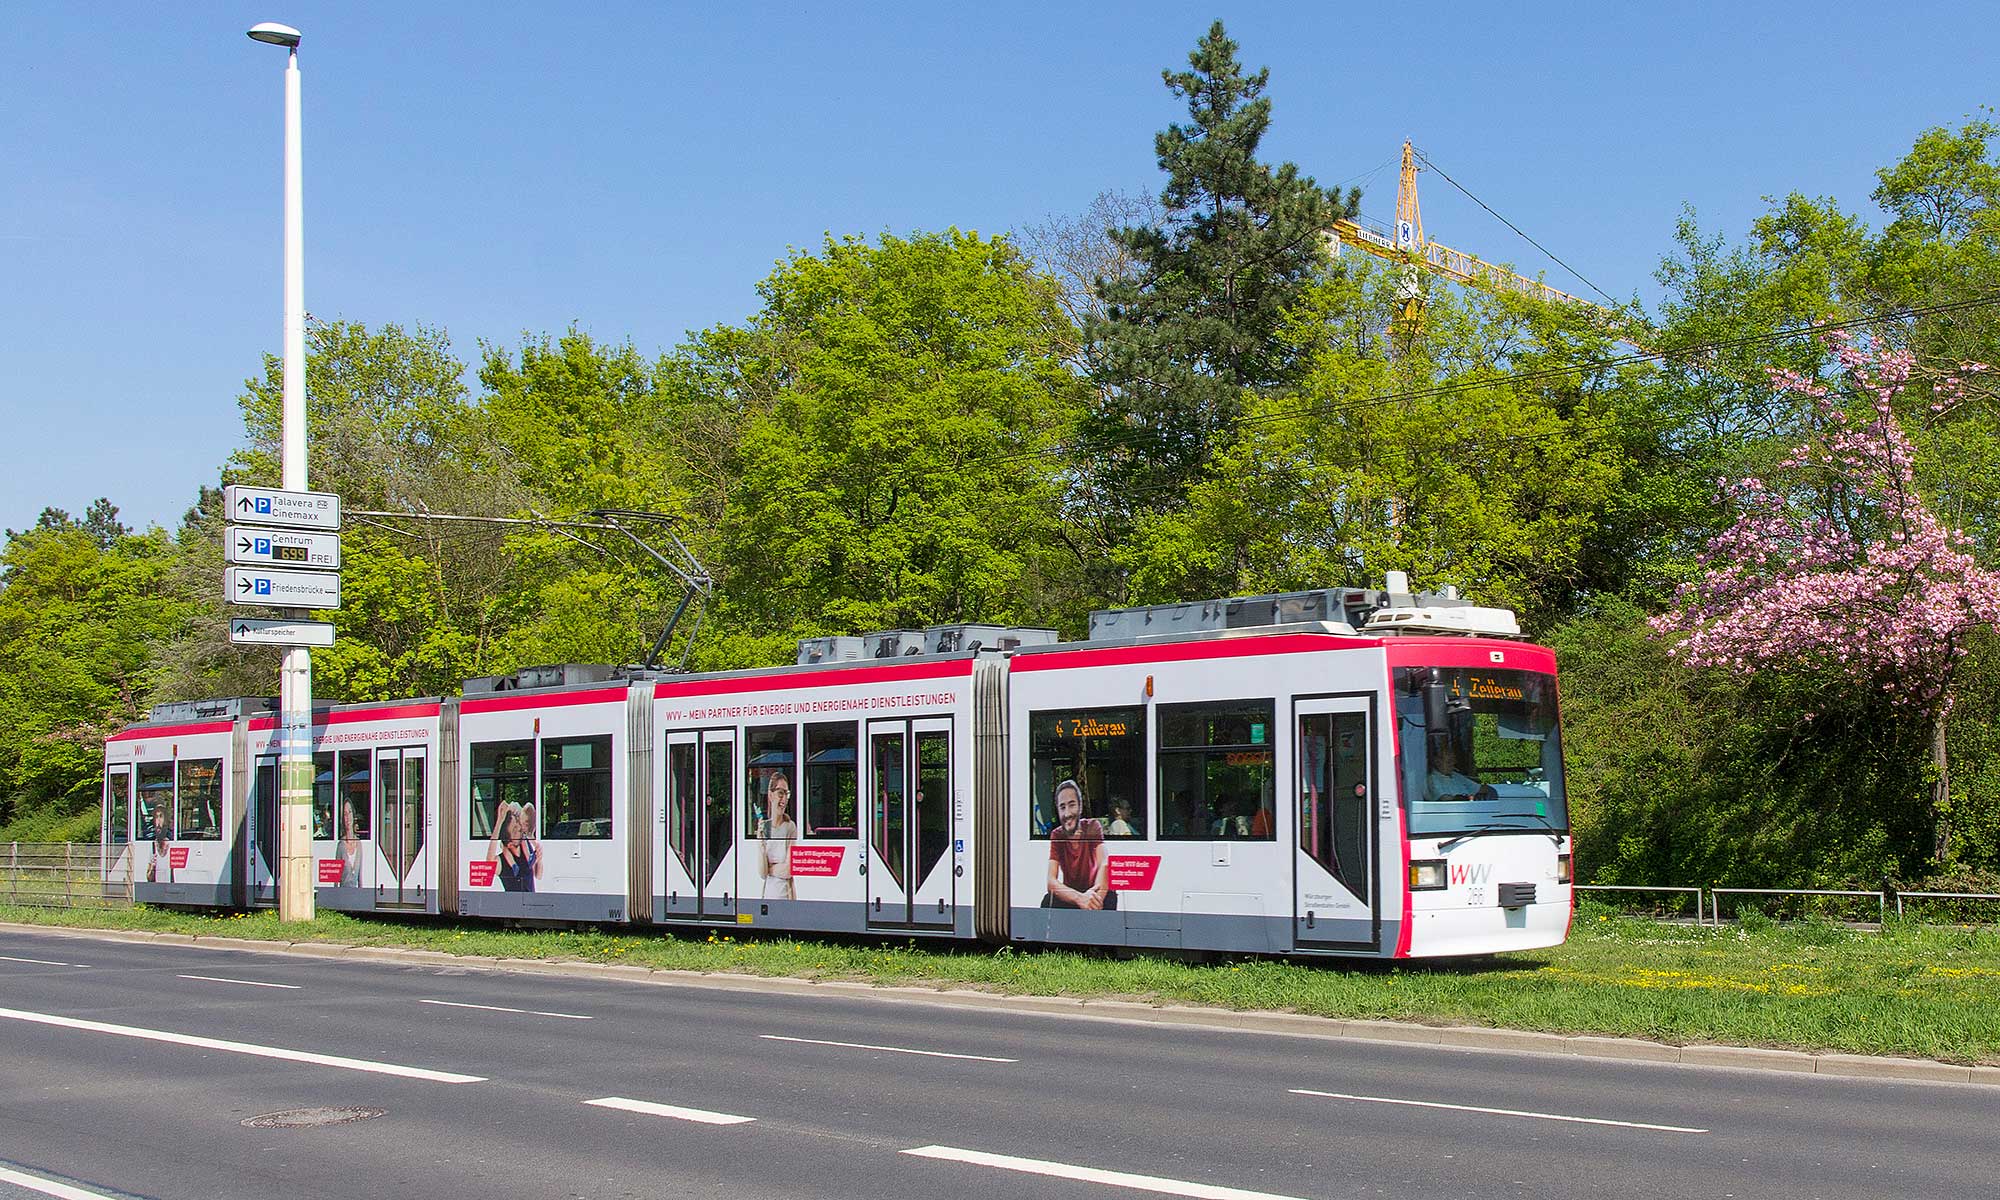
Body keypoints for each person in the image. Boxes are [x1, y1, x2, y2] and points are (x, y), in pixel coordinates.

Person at [1043, 779, 1114, 910]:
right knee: (1048, 900)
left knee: (1110, 895)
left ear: (1080, 806)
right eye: (1062, 807)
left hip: (1094, 890)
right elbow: (1051, 882)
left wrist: (1094, 900)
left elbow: (1105, 864)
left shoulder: (1092, 826)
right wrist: (1080, 898)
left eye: (1072, 805)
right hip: (1073, 893)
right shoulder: (1057, 835)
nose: (1067, 813)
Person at [755, 773, 798, 900]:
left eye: (786, 794)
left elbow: (789, 870)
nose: (784, 799)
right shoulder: (764, 827)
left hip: (786, 895)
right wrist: (761, 845)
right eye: (780, 793)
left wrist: (770, 868)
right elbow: (762, 873)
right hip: (768, 894)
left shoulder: (790, 827)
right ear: (770, 795)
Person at [488, 800, 541, 892]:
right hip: (513, 904)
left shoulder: (527, 851)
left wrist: (539, 859)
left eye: (518, 824)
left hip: (529, 903)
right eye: (515, 830)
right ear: (510, 844)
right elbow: (489, 863)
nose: (519, 828)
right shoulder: (502, 862)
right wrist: (499, 821)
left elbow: (538, 875)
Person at [338, 800, 364, 886]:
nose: (348, 817)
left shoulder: (359, 844)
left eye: (349, 812)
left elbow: (360, 876)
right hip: (343, 893)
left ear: (353, 815)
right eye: (345, 814)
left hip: (355, 894)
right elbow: (336, 876)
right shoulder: (341, 845)